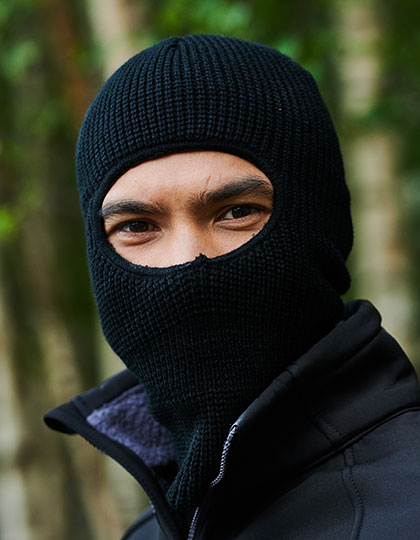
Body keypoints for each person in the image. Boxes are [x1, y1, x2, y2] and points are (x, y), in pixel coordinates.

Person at [44, 34, 420, 540]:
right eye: (137, 226)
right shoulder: (151, 531)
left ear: (322, 225)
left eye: (237, 212)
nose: (185, 265)